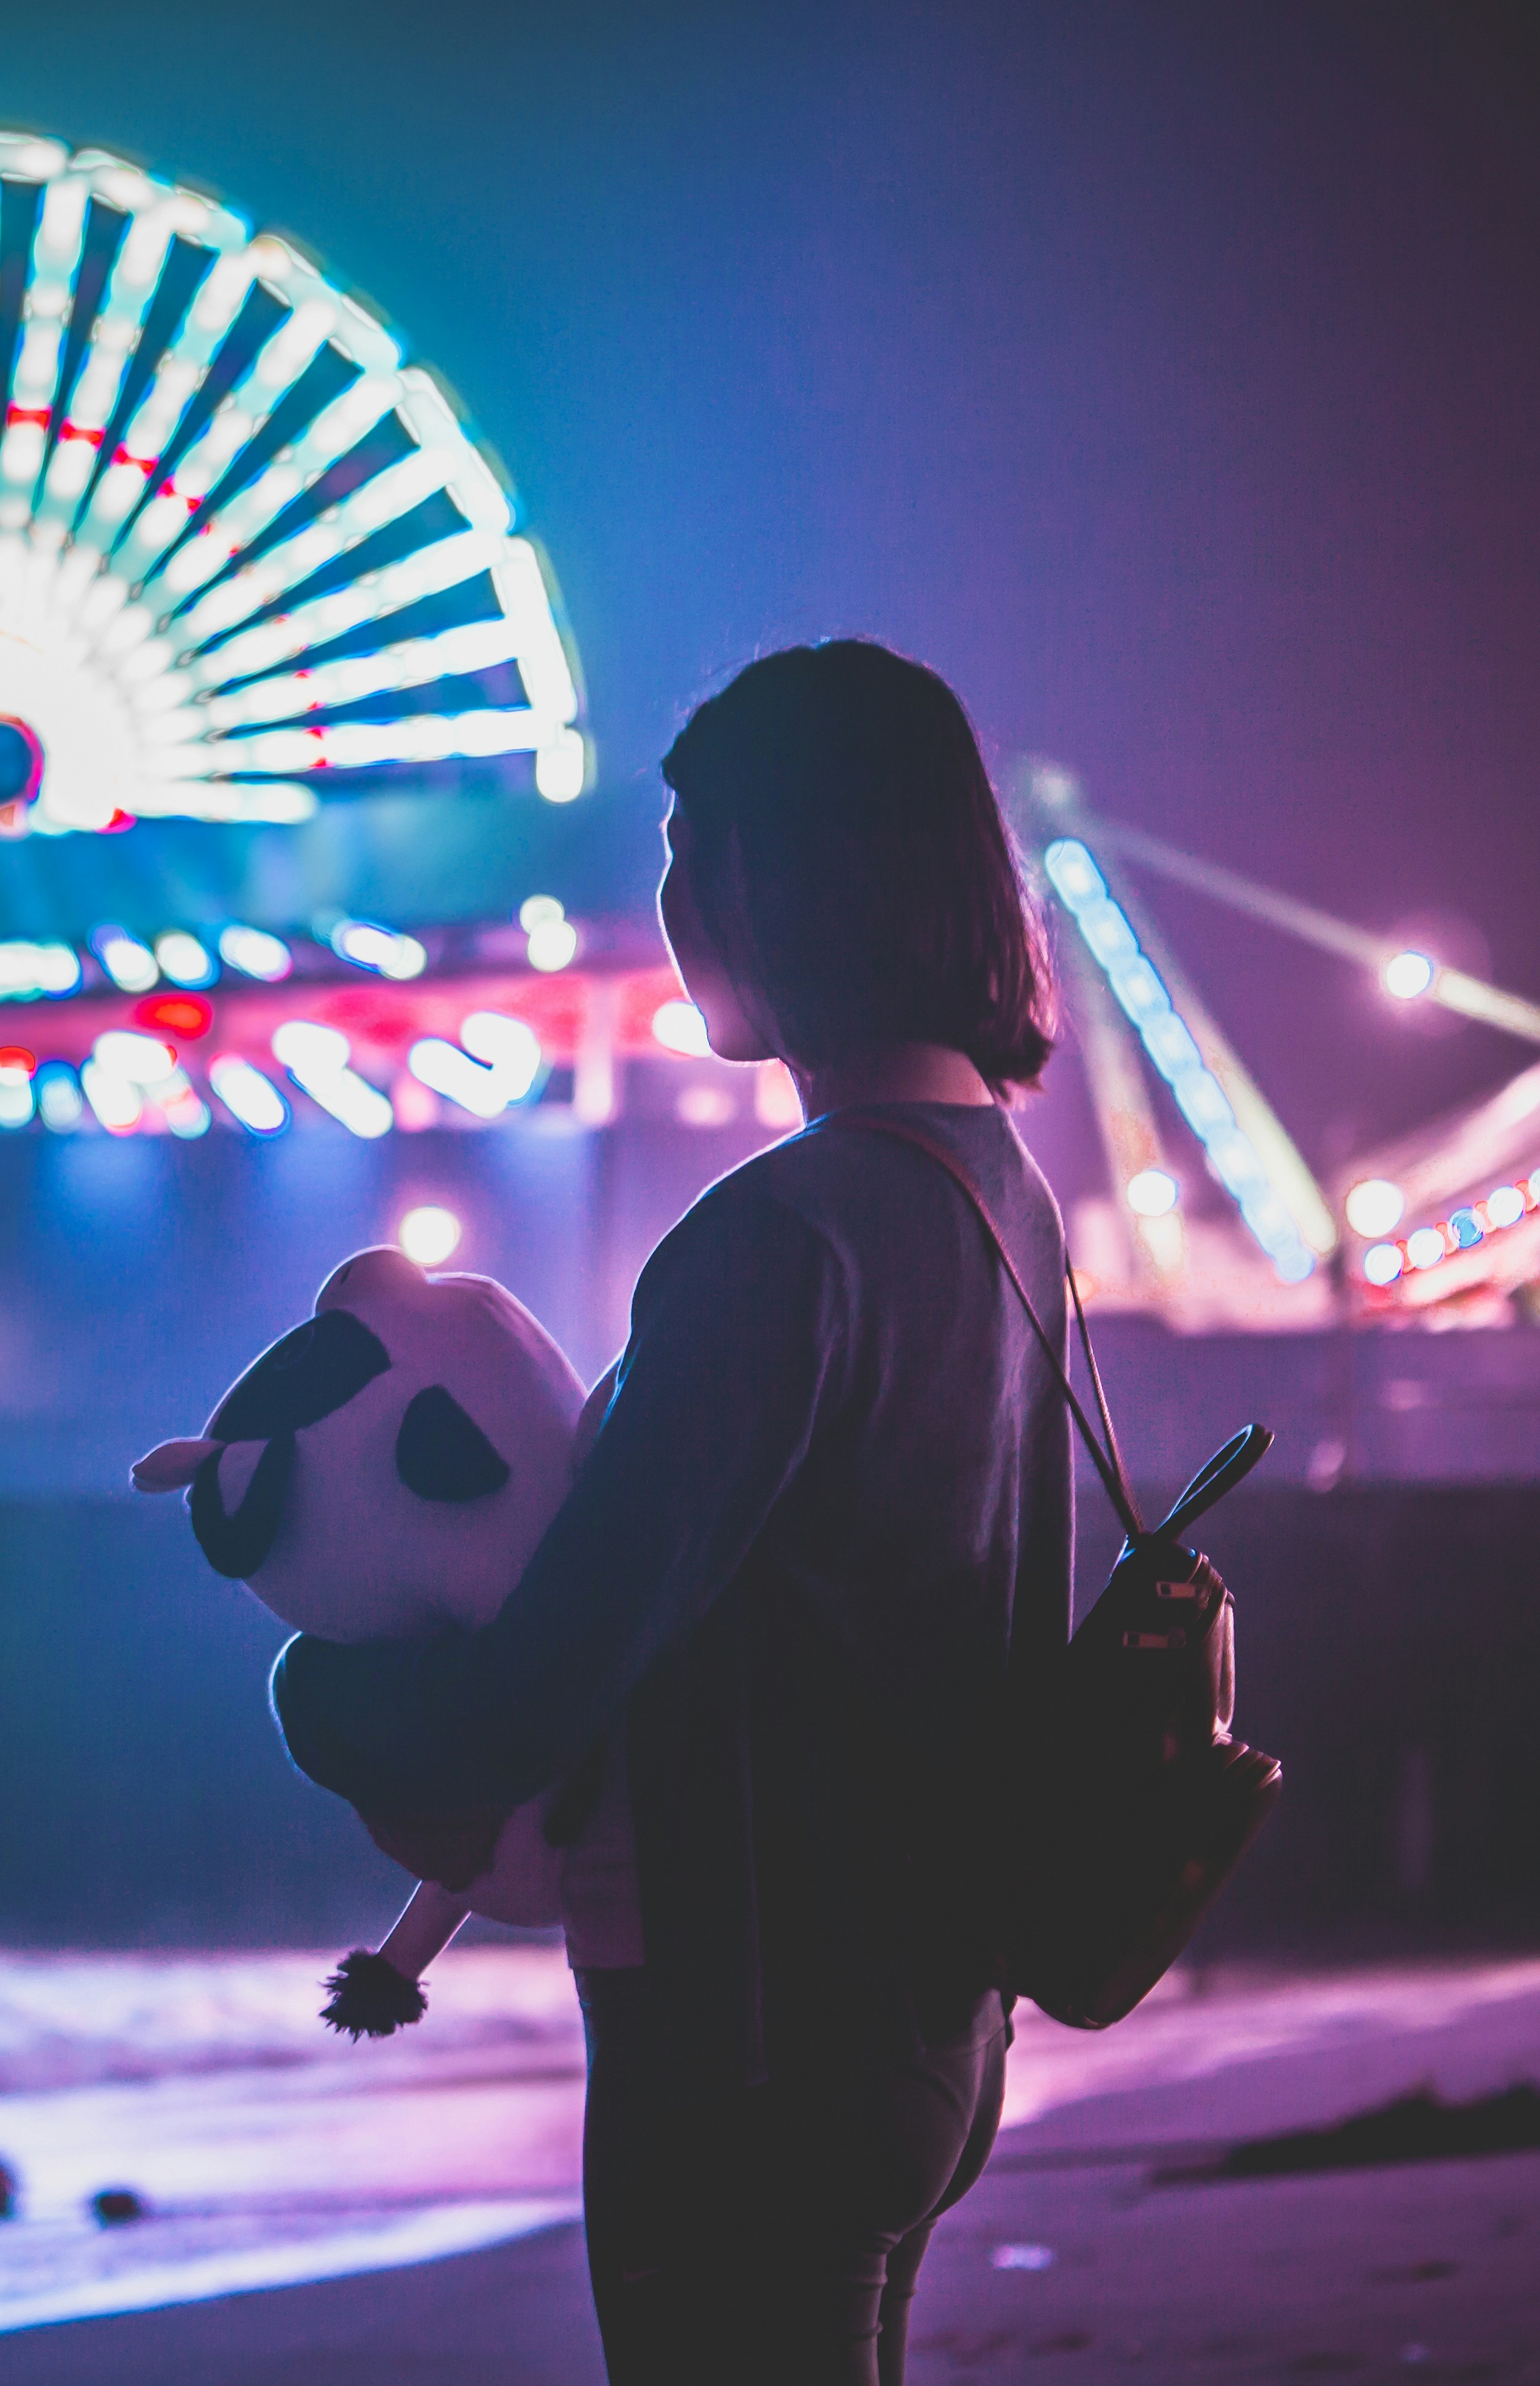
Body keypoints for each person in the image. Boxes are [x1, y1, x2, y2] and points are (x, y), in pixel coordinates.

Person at [272, 639, 1073, 2385]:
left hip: (754, 2033)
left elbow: (535, 1691)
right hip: (937, 2018)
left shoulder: (777, 1239)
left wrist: (318, 1701)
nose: (668, 898)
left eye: (692, 847)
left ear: (790, 881)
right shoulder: (1003, 1201)